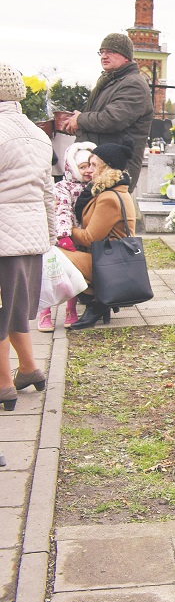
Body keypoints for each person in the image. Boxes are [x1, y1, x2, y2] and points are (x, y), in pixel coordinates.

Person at [0, 63, 54, 410]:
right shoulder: (38, 134)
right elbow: (48, 190)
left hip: (3, 233)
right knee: (14, 310)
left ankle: (3, 384)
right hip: (30, 234)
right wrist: (49, 234)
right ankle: (30, 369)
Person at [62, 33, 153, 189]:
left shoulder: (133, 85)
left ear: (126, 56)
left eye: (111, 51)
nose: (104, 56)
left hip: (114, 168)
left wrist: (80, 120)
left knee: (109, 212)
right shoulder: (110, 81)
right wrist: (73, 123)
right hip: (98, 165)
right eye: (102, 52)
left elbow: (112, 119)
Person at [63, 141, 138, 329]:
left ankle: (95, 300)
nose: (89, 170)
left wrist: (67, 229)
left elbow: (90, 238)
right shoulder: (106, 191)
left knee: (53, 256)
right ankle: (98, 302)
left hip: (109, 264)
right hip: (106, 259)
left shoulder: (109, 197)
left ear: (107, 169)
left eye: (94, 165)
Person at [36, 141, 95, 331]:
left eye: (90, 166)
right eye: (82, 167)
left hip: (81, 238)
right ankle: (45, 312)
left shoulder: (93, 187)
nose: (86, 171)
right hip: (62, 239)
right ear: (72, 167)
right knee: (52, 275)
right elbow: (62, 210)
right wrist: (63, 234)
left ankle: (71, 310)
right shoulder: (63, 187)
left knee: (73, 277)